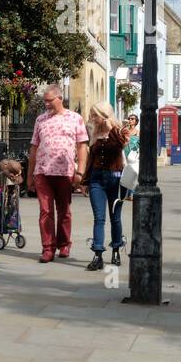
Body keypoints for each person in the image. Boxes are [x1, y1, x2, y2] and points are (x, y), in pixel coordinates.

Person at [27, 86, 89, 263]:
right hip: (43, 171)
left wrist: (81, 171)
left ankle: (64, 244)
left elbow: (82, 146)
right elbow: (34, 148)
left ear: (60, 98)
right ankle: (47, 248)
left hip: (65, 172)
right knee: (45, 211)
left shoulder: (75, 118)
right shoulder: (40, 120)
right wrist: (30, 175)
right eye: (45, 101)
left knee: (64, 211)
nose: (46, 104)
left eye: (50, 100)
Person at [79, 101, 129, 271]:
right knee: (98, 218)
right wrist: (85, 182)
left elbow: (121, 144)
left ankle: (116, 250)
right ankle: (98, 255)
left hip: (116, 178)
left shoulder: (120, 130)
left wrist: (111, 126)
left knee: (115, 218)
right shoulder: (93, 132)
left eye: (95, 115)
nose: (92, 118)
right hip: (96, 179)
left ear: (104, 115)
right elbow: (90, 160)